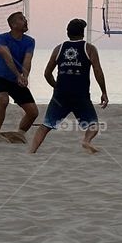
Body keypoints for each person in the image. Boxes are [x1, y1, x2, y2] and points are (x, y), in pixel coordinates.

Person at [29, 19, 108, 154]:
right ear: (82, 33)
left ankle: (31, 152)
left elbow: (47, 73)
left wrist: (56, 86)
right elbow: (97, 71)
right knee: (93, 124)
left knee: (45, 126)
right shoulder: (89, 48)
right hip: (80, 94)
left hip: (61, 94)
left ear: (67, 33)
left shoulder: (58, 49)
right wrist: (103, 92)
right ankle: (86, 141)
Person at [0, 11, 38, 141]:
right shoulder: (2, 38)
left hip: (15, 78)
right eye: (22, 19)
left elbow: (27, 60)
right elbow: (7, 58)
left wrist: (25, 76)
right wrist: (18, 75)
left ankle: (19, 133)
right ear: (13, 24)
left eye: (25, 18)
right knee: (3, 100)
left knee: (33, 112)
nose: (25, 21)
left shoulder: (30, 41)